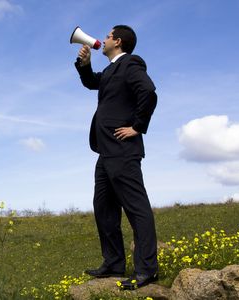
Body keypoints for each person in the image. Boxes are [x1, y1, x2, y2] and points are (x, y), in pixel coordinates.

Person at [74, 25, 158, 290]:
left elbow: (148, 92)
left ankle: (146, 270)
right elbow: (91, 83)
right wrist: (84, 65)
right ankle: (113, 263)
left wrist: (137, 126)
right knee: (104, 209)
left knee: (137, 210)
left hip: (123, 149)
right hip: (106, 151)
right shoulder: (111, 70)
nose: (104, 38)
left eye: (108, 35)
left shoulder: (131, 63)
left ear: (117, 41)